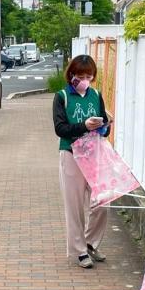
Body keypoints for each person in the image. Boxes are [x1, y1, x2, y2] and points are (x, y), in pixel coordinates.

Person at [52, 54, 110, 269]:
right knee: (74, 205)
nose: (85, 79)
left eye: (89, 75)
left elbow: (104, 125)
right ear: (71, 76)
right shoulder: (62, 97)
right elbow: (60, 129)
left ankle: (90, 242)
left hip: (93, 153)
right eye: (80, 75)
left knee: (102, 201)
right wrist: (85, 125)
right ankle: (79, 251)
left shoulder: (95, 94)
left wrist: (104, 126)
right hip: (71, 154)